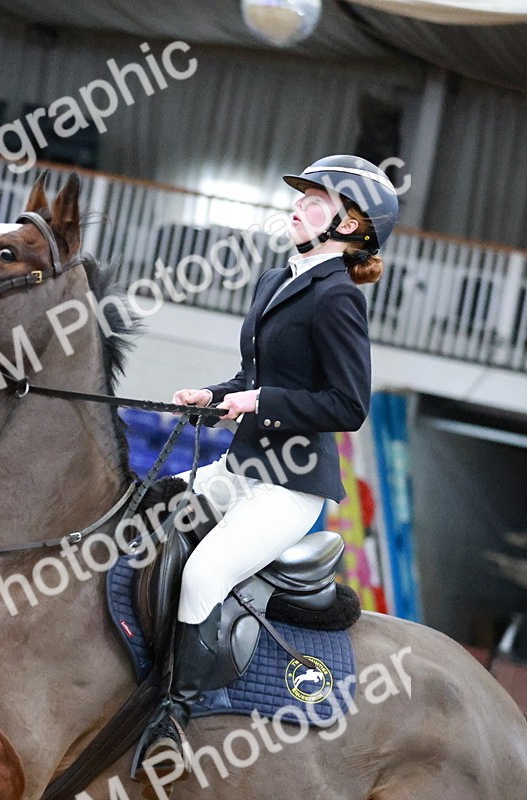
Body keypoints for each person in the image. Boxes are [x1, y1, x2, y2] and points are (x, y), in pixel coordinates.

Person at [141, 155, 400, 776]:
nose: (298, 207)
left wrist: (262, 403)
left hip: (288, 489)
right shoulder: (276, 278)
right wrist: (214, 394)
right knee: (146, 510)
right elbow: (256, 378)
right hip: (240, 468)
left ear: (351, 225)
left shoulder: (338, 298)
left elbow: (348, 405)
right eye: (302, 197)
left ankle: (181, 715)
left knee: (204, 576)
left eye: (315, 201)